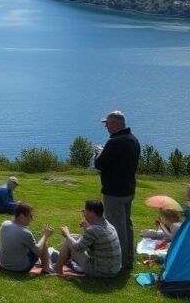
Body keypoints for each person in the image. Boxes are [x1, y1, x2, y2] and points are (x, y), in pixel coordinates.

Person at [93, 110, 140, 270]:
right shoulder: (133, 140)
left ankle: (119, 262)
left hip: (114, 192)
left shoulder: (114, 143)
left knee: (116, 227)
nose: (106, 126)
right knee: (127, 225)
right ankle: (128, 258)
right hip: (129, 189)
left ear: (114, 124)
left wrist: (98, 152)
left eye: (107, 123)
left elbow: (99, 164)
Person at [54, 199, 121, 278]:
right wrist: (87, 228)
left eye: (84, 211)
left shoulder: (93, 230)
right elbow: (95, 241)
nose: (83, 213)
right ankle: (62, 262)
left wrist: (67, 234)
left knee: (69, 240)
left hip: (101, 272)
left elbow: (78, 248)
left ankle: (57, 269)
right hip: (113, 270)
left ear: (91, 213)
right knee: (73, 237)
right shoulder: (108, 224)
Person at [0, 202, 53, 273]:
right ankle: (46, 268)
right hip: (20, 268)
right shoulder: (25, 232)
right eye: (30, 216)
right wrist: (45, 236)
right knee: (43, 242)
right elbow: (38, 251)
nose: (32, 219)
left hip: (4, 265)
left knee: (38, 240)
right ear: (21, 216)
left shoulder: (4, 224)